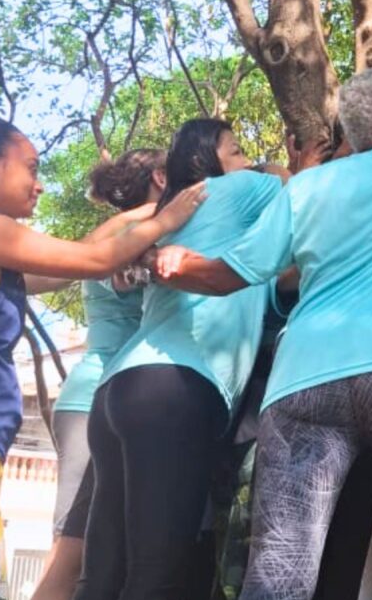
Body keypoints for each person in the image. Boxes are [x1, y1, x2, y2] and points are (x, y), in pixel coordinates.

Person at [155, 68, 372, 600]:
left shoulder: (306, 187)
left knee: (280, 565)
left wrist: (172, 263)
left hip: (304, 382)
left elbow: (226, 275)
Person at [0, 104, 203, 597]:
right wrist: (167, 219)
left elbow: (66, 268)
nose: (39, 185)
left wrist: (141, 214)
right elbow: (94, 259)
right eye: (31, 168)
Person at [71, 119, 321, 600]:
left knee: (102, 576)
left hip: (118, 392)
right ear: (206, 160)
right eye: (237, 150)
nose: (247, 160)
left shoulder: (195, 221)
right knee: (156, 578)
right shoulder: (234, 189)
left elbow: (277, 278)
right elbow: (291, 185)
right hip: (175, 390)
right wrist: (290, 167)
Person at [28, 148, 168, 600]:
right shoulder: (128, 236)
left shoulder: (125, 230)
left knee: (91, 552)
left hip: (104, 400)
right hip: (93, 401)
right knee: (70, 553)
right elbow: (126, 274)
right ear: (161, 178)